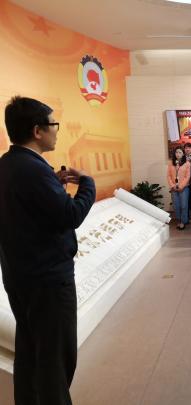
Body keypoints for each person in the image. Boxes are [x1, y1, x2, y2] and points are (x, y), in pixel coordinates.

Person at [0, 96, 96, 405]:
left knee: (30, 355)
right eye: (53, 124)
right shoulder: (34, 170)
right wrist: (88, 184)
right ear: (37, 130)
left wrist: (52, 186)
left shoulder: (8, 164)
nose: (57, 130)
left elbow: (27, 211)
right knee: (55, 360)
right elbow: (70, 215)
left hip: (20, 278)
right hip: (49, 282)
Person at [167, 146, 191, 230]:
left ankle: (183, 221)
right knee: (176, 206)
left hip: (184, 188)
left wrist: (181, 186)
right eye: (176, 152)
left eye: (180, 152)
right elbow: (168, 176)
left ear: (183, 154)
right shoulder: (171, 163)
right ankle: (178, 220)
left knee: (184, 205)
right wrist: (173, 186)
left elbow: (187, 176)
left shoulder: (187, 163)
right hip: (174, 188)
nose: (178, 154)